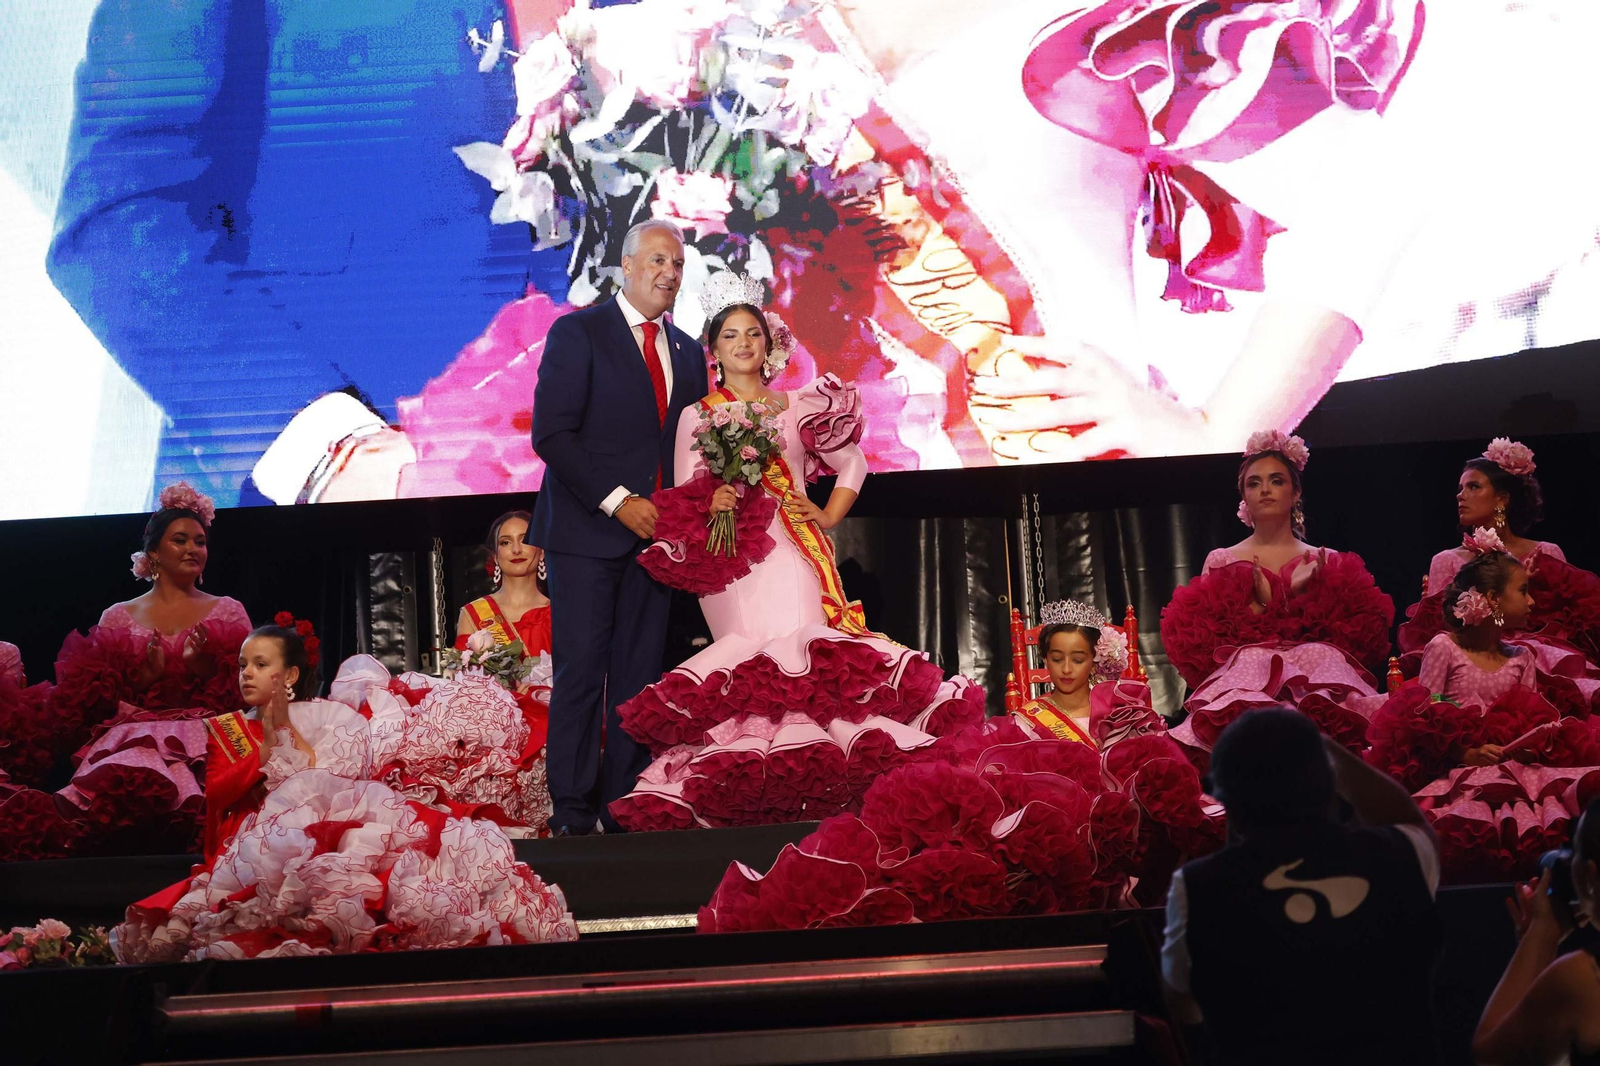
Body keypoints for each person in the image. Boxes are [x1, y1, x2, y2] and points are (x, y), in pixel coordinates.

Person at [609, 273, 983, 831]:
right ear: (713, 348)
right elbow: (685, 489)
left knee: (804, 660)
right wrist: (719, 497)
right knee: (745, 665)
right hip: (729, 558)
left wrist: (829, 513)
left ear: (768, 344)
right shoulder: (698, 414)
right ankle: (751, 795)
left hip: (790, 546)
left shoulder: (797, 406)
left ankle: (824, 793)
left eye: (752, 334)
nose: (742, 344)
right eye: (730, 334)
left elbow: (853, 462)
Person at [115, 623, 577, 963]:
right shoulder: (229, 728)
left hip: (310, 832)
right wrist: (266, 747)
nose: (247, 675)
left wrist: (287, 740)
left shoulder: (327, 719)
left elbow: (334, 784)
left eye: (261, 664)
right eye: (242, 666)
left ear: (290, 674)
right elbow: (216, 792)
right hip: (247, 836)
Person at [530, 218, 707, 835]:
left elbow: (691, 449)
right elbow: (551, 433)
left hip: (658, 543)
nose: (668, 273)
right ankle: (573, 814)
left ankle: (625, 806)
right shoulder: (579, 332)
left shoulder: (687, 351)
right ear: (625, 267)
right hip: (586, 533)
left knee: (639, 678)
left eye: (678, 264)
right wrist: (617, 501)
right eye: (657, 260)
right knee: (582, 673)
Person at [1161, 708, 1442, 1065]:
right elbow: (1408, 819)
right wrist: (1322, 746)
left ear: (1228, 804)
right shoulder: (1401, 856)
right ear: (1330, 786)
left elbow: (1184, 1004)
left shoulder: (1199, 886)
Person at [1366, 551, 1600, 884]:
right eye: (1523, 591)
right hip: (1458, 769)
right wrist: (1464, 753)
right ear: (1492, 598)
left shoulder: (1522, 657)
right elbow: (1423, 717)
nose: (1532, 601)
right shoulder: (1445, 647)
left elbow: (1530, 718)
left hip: (1513, 771)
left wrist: (1528, 746)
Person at [1159, 432, 1393, 755]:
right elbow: (1208, 649)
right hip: (1246, 692)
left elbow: (1350, 646)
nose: (1264, 490)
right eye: (1254, 483)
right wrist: (1261, 605)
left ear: (1296, 491)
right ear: (1243, 495)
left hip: (1315, 694)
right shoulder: (1223, 560)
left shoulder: (1326, 560)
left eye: (1276, 480)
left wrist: (1303, 595)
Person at [1399, 439, 1600, 715]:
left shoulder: (1546, 553)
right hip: (1473, 659)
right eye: (1460, 489)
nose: (1461, 495)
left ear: (1502, 498)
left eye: (1473, 487)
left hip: (1541, 658)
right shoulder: (1446, 560)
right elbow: (1443, 627)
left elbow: (1572, 624)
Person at [1472, 798, 1600, 1065]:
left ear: (1590, 875)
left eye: (1572, 849)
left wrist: (1541, 933)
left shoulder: (1581, 977)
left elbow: (1491, 1057)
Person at [1011, 599, 1157, 748]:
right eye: (1057, 659)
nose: (1066, 669)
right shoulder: (1027, 721)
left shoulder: (1118, 716)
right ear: (1046, 660)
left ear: (1094, 663)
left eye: (1078, 660)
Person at [455, 510, 551, 657]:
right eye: (505, 542)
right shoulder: (473, 614)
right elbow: (465, 676)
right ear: (495, 557)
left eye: (525, 540)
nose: (516, 550)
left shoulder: (558, 615)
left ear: (542, 551)